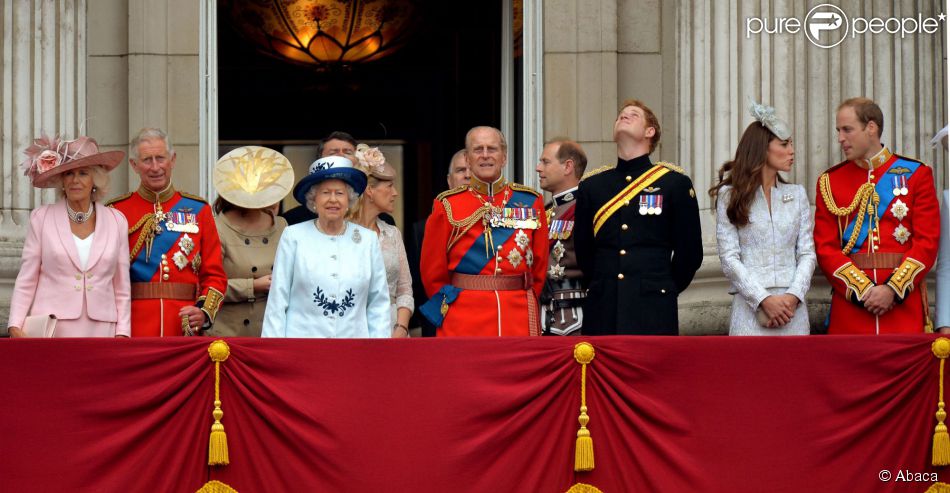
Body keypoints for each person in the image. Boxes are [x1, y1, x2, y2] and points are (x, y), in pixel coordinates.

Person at [574, 99, 703, 335]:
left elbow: (689, 252)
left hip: (652, 308)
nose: (624, 116)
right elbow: (584, 251)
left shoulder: (673, 183)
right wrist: (602, 285)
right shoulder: (593, 186)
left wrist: (663, 288)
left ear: (649, 132)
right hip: (603, 306)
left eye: (633, 114)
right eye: (620, 115)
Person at [814, 97, 940, 334]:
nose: (840, 138)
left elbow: (927, 243)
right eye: (838, 131)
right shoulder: (829, 182)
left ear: (871, 128)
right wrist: (863, 291)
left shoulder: (917, 175)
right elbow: (825, 248)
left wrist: (892, 289)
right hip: (852, 311)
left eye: (847, 129)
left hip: (902, 309)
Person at [419, 126, 548, 336]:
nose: (485, 155)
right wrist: (450, 308)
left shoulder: (531, 201)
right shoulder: (448, 204)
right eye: (478, 149)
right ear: (468, 159)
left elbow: (540, 265)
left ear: (504, 157)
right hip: (463, 318)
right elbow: (432, 273)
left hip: (518, 316)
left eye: (492, 149)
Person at [107, 128, 227, 337]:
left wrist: (203, 311)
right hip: (133, 325)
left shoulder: (199, 210)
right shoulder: (117, 211)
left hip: (183, 324)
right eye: (147, 160)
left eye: (160, 158)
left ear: (172, 159)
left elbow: (215, 275)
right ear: (134, 165)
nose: (155, 167)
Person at [7, 135, 130, 338]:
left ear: (95, 180)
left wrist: (123, 332)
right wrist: (15, 325)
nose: (75, 180)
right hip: (52, 328)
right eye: (69, 174)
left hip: (102, 329)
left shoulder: (117, 221)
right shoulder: (42, 218)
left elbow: (122, 285)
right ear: (62, 181)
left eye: (83, 173)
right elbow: (27, 278)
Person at [709, 101, 816, 335]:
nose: (792, 150)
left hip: (793, 311)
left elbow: (807, 253)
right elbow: (729, 258)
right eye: (784, 144)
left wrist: (793, 296)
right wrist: (762, 298)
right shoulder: (730, 196)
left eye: (791, 144)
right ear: (762, 149)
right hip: (750, 308)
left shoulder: (796, 194)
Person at [262, 155, 390, 338]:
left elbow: (379, 302)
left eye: (339, 193)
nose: (333, 200)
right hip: (302, 348)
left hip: (354, 348)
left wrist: (379, 349)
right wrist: (275, 351)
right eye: (325, 193)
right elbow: (278, 298)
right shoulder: (293, 236)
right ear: (313, 200)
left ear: (349, 200)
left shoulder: (367, 240)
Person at [207, 146, 294, 337]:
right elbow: (206, 287)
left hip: (271, 332)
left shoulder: (282, 225)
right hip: (229, 334)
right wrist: (252, 286)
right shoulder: (216, 227)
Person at [348, 144, 413, 338]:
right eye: (389, 186)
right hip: (350, 330)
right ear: (369, 190)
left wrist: (400, 329)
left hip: (392, 331)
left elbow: (404, 289)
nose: (395, 193)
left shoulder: (392, 234)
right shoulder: (339, 233)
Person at [408, 149, 470, 337]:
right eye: (460, 170)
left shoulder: (497, 223)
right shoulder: (422, 229)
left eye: (472, 170)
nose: (467, 175)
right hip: (438, 325)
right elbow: (417, 286)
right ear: (449, 181)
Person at [535, 138, 588, 335]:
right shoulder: (547, 210)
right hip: (543, 313)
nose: (538, 168)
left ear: (568, 167)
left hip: (573, 316)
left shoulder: (585, 208)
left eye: (545, 162)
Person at [282, 131, 357, 226]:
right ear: (319, 160)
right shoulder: (293, 220)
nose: (341, 156)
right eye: (333, 152)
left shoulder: (372, 207)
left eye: (348, 152)